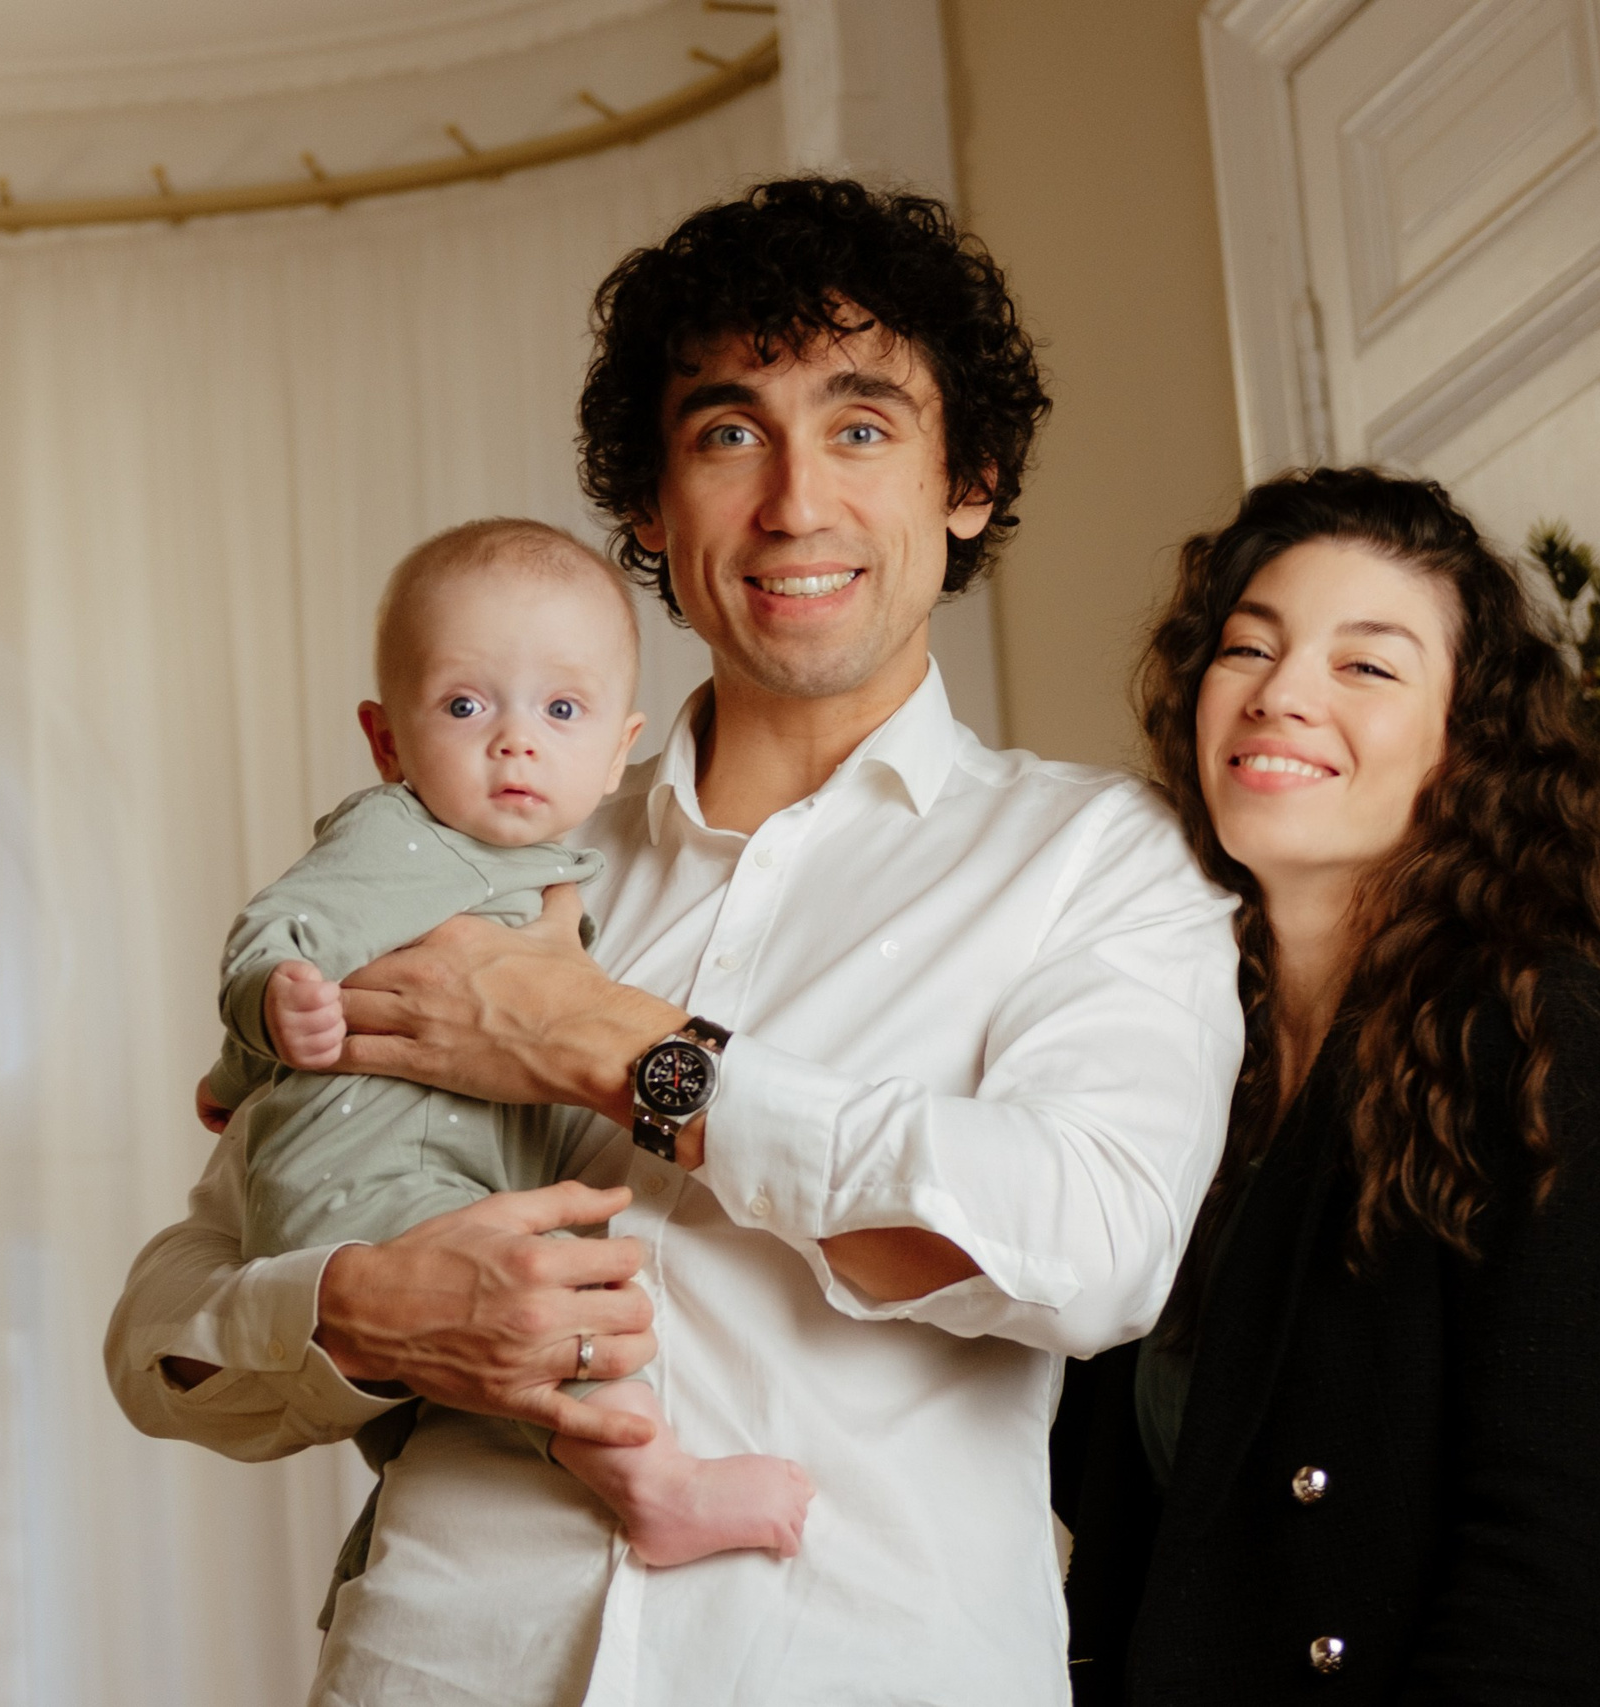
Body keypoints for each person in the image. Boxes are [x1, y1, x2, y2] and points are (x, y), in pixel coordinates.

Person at [104, 177, 1245, 1706]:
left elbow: (1095, 1248)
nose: (793, 502)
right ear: (649, 505)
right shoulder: (462, 853)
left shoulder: (1093, 862)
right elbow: (164, 1327)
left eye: (860, 425)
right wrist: (358, 1314)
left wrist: (602, 1043)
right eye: (727, 433)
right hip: (445, 1660)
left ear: (967, 477)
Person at [1050, 467, 1600, 1704]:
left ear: (1468, 744)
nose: (1281, 696)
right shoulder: (1165, 1042)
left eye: (1365, 667)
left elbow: (1556, 1550)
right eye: (1246, 648)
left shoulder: (1532, 1022)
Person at [201, 514, 813, 1567]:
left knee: (506, 1331)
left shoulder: (581, 877)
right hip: (374, 1172)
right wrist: (268, 1013)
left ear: (619, 747)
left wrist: (232, 1080)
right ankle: (656, 1485)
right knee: (546, 1304)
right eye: (465, 704)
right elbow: (283, 934)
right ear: (388, 739)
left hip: (429, 1173)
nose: (514, 739)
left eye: (561, 709)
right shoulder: (394, 835)